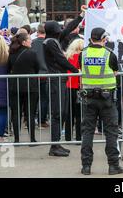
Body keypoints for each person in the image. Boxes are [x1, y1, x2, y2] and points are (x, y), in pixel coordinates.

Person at [80, 27, 123, 176]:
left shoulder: (83, 53)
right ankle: (113, 166)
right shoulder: (109, 54)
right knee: (111, 132)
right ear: (104, 38)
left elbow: (82, 69)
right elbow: (115, 72)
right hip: (107, 99)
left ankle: (86, 166)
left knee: (87, 132)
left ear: (91, 38)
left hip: (88, 98)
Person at [44, 18, 80, 156]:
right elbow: (60, 59)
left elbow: (67, 29)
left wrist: (80, 17)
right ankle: (54, 146)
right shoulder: (51, 42)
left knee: (62, 112)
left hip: (59, 79)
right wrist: (75, 70)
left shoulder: (53, 40)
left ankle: (57, 144)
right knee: (57, 113)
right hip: (55, 80)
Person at [8, 32, 40, 144]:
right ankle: (32, 138)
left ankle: (17, 139)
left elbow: (8, 68)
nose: (31, 41)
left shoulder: (11, 53)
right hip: (30, 86)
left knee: (15, 113)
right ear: (24, 42)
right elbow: (38, 68)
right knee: (30, 113)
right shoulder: (32, 53)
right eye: (29, 39)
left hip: (15, 86)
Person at [65, 38, 85, 142]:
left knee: (69, 114)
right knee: (78, 114)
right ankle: (78, 137)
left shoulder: (68, 56)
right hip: (77, 87)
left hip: (68, 86)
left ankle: (68, 137)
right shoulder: (81, 56)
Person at [30, 24, 49, 128]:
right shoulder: (49, 43)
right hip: (46, 74)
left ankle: (31, 120)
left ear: (38, 32)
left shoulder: (32, 43)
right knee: (44, 98)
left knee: (34, 98)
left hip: (35, 74)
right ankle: (42, 120)